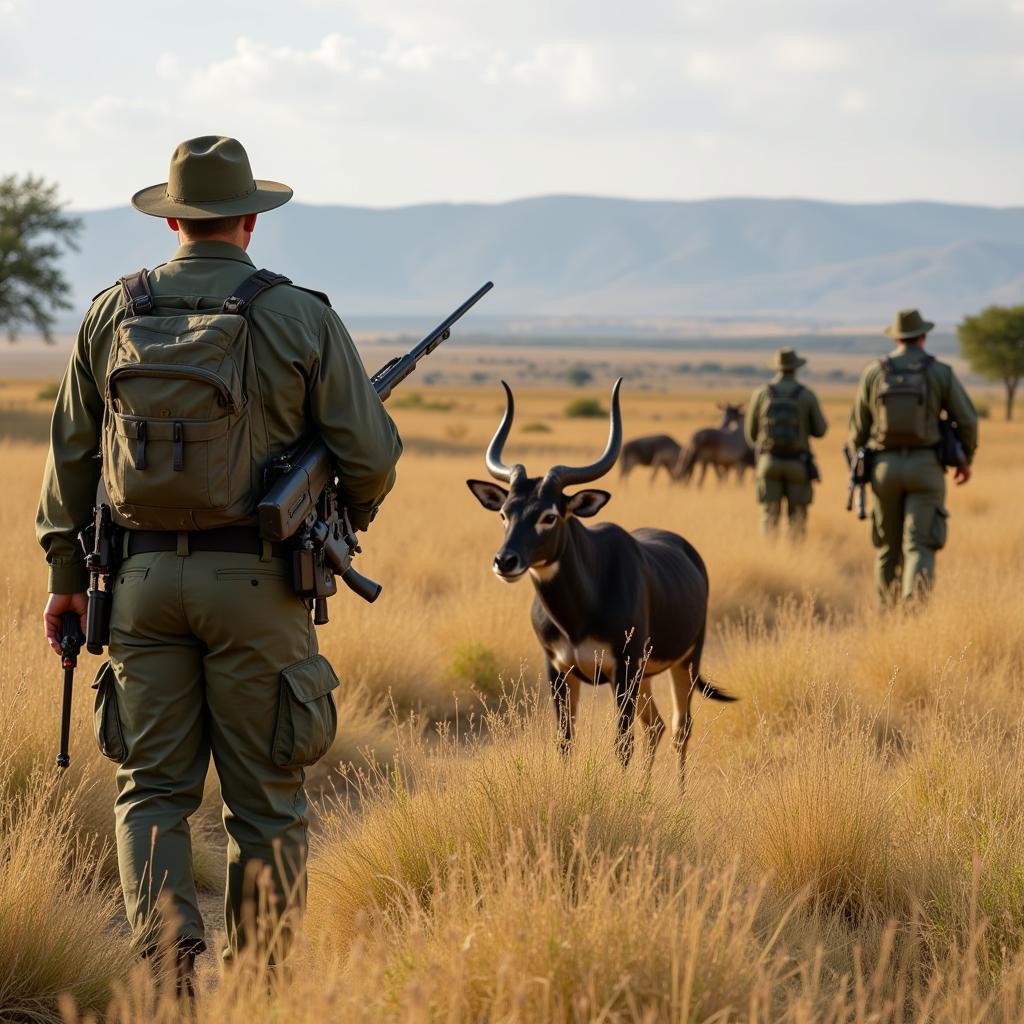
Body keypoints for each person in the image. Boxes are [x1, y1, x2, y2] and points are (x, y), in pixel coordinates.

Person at [36, 136, 403, 984]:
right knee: (265, 801)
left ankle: (168, 970)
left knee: (153, 793)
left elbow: (68, 464)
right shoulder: (297, 313)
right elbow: (371, 454)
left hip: (133, 586)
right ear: (250, 219)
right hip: (259, 586)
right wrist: (344, 512)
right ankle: (263, 987)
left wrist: (64, 582)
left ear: (170, 220)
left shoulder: (109, 311)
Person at [848, 308, 977, 603]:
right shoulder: (939, 371)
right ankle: (914, 613)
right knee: (919, 545)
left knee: (887, 547)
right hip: (926, 467)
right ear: (923, 336)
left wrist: (860, 468)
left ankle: (887, 612)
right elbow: (967, 420)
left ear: (895, 337)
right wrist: (964, 460)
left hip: (883, 469)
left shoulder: (873, 372)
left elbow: (857, 429)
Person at [745, 347, 828, 539]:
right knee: (797, 517)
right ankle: (796, 557)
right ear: (796, 368)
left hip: (768, 462)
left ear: (777, 367)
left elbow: (751, 435)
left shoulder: (761, 393)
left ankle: (769, 558)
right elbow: (820, 431)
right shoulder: (806, 395)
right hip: (797, 464)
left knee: (769, 515)